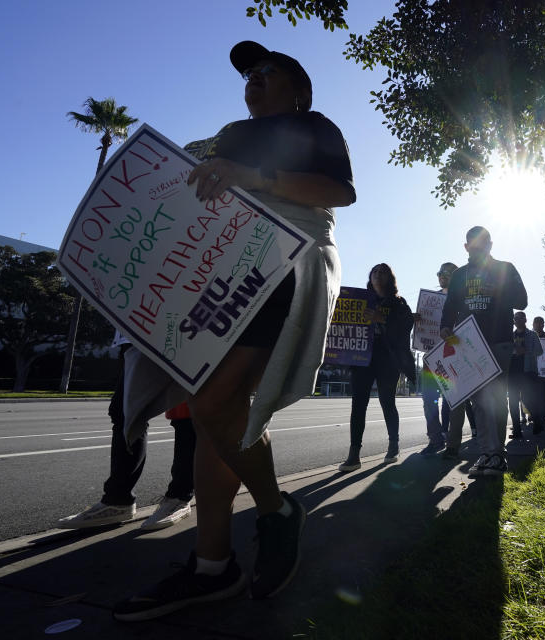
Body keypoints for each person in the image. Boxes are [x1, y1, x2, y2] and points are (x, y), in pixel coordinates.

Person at [112, 41, 356, 622]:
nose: (253, 79)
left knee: (215, 399)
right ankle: (211, 564)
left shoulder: (315, 125)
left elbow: (338, 193)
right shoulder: (228, 132)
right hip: (218, 266)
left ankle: (274, 510)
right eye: (248, 74)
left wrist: (254, 177)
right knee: (212, 410)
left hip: (281, 259)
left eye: (267, 71)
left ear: (298, 89)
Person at [59, 336, 195, 532]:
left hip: (184, 334)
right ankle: (118, 501)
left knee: (185, 415)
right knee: (124, 412)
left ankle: (179, 497)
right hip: (137, 333)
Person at [440, 226, 527, 477]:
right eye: (472, 245)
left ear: (490, 245)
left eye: (483, 244)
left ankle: (496, 455)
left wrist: (497, 289)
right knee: (478, 400)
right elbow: (450, 306)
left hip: (499, 340)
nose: (477, 249)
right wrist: (445, 327)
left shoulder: (505, 268)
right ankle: (490, 454)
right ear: (466, 247)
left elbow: (522, 300)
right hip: (469, 344)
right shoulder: (459, 276)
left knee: (497, 398)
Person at [338, 264, 416, 471]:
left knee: (387, 402)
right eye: (374, 272)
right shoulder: (361, 300)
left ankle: (393, 445)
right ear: (370, 278)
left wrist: (382, 319)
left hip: (388, 360)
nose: (378, 275)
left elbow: (407, 325)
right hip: (362, 359)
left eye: (382, 272)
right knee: (358, 405)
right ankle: (354, 455)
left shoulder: (399, 303)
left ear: (390, 278)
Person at [418, 262, 458, 453]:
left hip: (452, 355)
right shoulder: (429, 300)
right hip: (430, 355)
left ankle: (450, 438)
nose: (442, 275)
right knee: (428, 399)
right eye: (439, 272)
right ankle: (435, 439)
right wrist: (417, 321)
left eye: (447, 272)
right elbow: (422, 327)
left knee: (452, 400)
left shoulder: (461, 299)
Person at [507, 311, 544, 439]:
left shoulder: (532, 334)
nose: (517, 320)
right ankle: (517, 430)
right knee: (512, 402)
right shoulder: (510, 335)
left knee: (528, 400)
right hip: (512, 373)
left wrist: (526, 351)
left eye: (520, 318)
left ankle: (538, 422)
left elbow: (540, 351)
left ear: (525, 320)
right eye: (515, 318)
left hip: (528, 372)